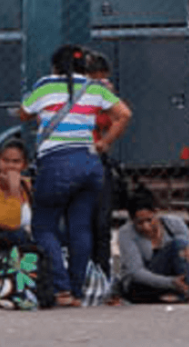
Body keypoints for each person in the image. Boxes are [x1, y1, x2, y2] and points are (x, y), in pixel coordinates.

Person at [19, 44, 131, 307]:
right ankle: (78, 292)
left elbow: (24, 112)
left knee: (44, 226)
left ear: (56, 66)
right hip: (90, 162)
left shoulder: (46, 84)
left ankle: (62, 289)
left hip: (57, 162)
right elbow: (124, 114)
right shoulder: (95, 88)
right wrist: (104, 143)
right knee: (80, 227)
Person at [117, 190, 189, 304]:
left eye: (149, 220)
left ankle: (181, 293)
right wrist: (171, 282)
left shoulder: (174, 224)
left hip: (176, 278)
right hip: (142, 285)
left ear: (157, 212)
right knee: (178, 243)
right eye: (139, 223)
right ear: (132, 220)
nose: (146, 227)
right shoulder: (126, 233)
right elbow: (136, 272)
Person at [84, 49, 129, 276]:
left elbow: (117, 119)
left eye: (104, 77)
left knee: (101, 223)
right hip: (80, 156)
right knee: (83, 221)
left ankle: (101, 274)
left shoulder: (104, 98)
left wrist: (109, 98)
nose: (101, 82)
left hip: (97, 157)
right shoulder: (76, 95)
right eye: (96, 77)